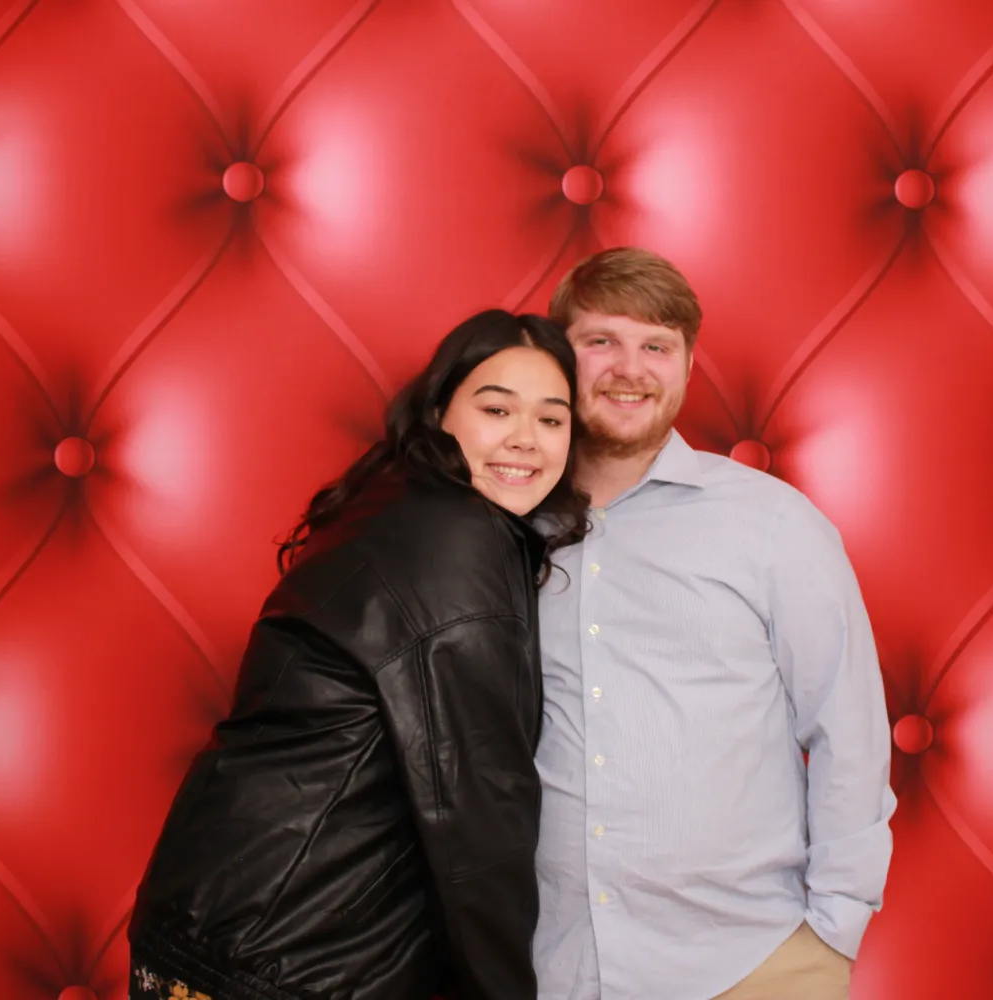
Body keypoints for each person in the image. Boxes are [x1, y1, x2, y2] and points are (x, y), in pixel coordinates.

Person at [127, 309, 591, 1000]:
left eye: (552, 421)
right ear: (440, 411)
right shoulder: (455, 546)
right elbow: (478, 812)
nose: (526, 440)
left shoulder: (395, 503)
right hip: (277, 961)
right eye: (497, 409)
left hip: (211, 935)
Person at [531, 248, 896, 1000]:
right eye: (600, 340)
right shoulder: (502, 528)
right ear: (557, 357)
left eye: (656, 346)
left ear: (687, 367)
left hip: (751, 965)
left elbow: (848, 729)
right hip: (553, 965)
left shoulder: (773, 526)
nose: (629, 367)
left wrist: (832, 933)